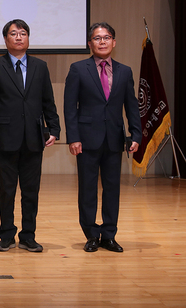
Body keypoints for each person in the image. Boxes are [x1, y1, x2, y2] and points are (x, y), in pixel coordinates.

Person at [0, 19, 60, 253]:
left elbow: (48, 101)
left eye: (23, 33)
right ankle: (6, 235)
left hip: (34, 138)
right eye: (14, 33)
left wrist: (54, 129)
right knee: (7, 191)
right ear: (5, 39)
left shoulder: (40, 67)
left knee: (31, 191)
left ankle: (28, 236)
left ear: (28, 38)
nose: (18, 37)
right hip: (5, 138)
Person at [64, 22, 141, 253]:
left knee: (112, 189)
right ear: (90, 43)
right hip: (86, 139)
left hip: (114, 139)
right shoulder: (78, 69)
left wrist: (136, 134)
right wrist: (73, 137)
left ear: (114, 42)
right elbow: (70, 107)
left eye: (107, 37)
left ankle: (109, 235)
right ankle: (91, 234)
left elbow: (132, 105)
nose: (102, 42)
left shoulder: (125, 71)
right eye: (97, 38)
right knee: (87, 189)